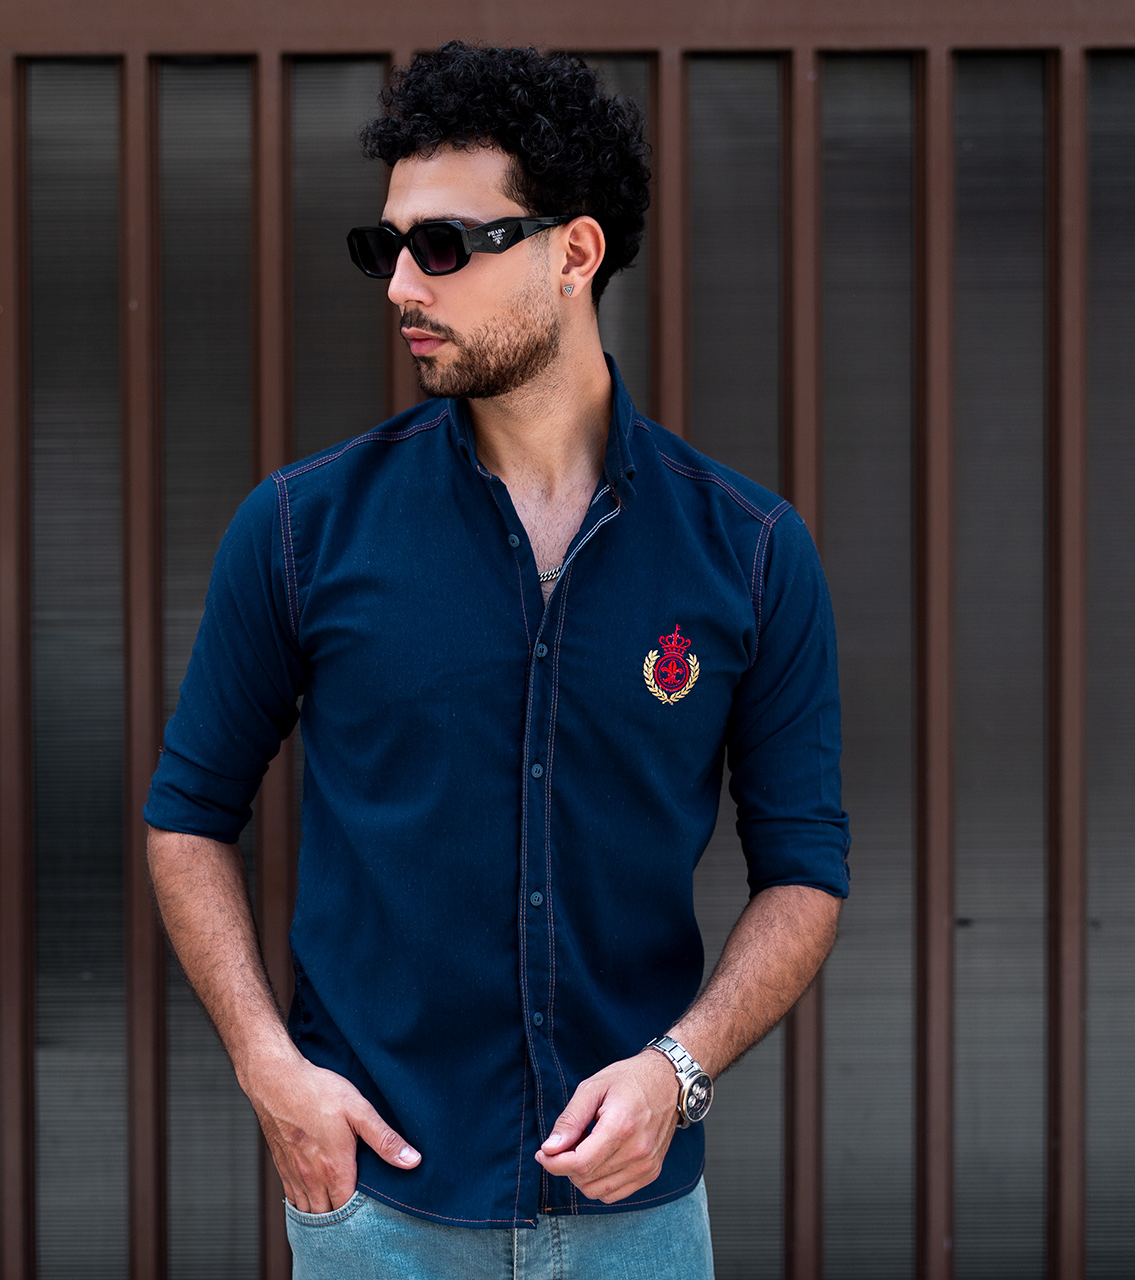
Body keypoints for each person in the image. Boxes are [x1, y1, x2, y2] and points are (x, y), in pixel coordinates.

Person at [145, 40, 849, 1280]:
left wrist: (676, 1072)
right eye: (384, 247)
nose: (398, 285)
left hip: (636, 1223)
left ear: (572, 254)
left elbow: (804, 872)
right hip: (376, 1212)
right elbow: (186, 817)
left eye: (442, 246)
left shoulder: (745, 551)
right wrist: (267, 1064)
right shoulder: (301, 530)